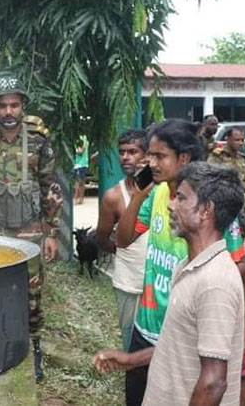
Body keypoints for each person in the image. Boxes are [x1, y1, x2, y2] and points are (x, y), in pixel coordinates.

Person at [91, 119, 245, 406]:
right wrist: (140, 194)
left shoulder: (213, 219)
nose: (149, 162)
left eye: (158, 155)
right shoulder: (158, 194)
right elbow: (123, 241)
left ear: (184, 158)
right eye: (148, 155)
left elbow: (240, 271)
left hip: (190, 332)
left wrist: (235, 335)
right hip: (151, 327)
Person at [0, 75, 63, 382]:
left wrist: (52, 232)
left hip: (30, 229)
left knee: (32, 292)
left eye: (14, 105)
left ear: (22, 106)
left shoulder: (38, 138)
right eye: (2, 106)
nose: (9, 111)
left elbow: (49, 185)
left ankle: (33, 344)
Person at [141, 162, 245, 406]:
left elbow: (214, 382)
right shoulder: (190, 265)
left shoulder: (215, 282)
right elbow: (179, 346)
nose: (170, 204)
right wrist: (130, 360)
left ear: (205, 210)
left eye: (181, 198)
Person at [95, 128, 149, 351]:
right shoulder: (114, 196)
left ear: (147, 155)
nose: (126, 157)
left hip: (159, 284)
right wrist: (123, 251)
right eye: (122, 152)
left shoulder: (163, 190)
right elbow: (101, 238)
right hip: (129, 282)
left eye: (133, 151)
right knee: (130, 341)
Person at [208, 126, 245, 195]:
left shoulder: (241, 158)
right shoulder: (218, 156)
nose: (241, 143)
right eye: (237, 140)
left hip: (238, 197)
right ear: (228, 139)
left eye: (242, 140)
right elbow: (210, 177)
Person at [74, 134, 89, 204]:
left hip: (81, 164)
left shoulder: (82, 139)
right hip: (81, 164)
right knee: (80, 182)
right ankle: (79, 199)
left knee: (80, 182)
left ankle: (78, 199)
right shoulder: (82, 140)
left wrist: (81, 148)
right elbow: (80, 151)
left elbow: (80, 151)